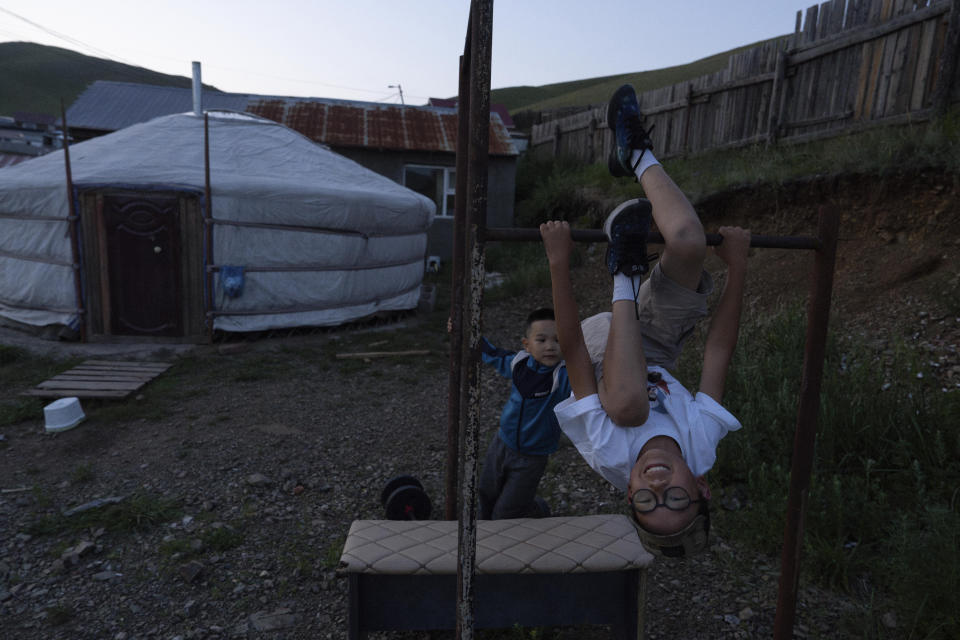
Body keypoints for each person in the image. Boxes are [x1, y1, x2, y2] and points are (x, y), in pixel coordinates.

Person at [538, 83, 751, 557]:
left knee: (630, 406)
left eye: (644, 500)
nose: (656, 485)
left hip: (593, 359)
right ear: (701, 487)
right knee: (689, 243)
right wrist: (738, 266)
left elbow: (571, 349)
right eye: (674, 497)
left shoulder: (610, 454)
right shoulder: (701, 446)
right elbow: (718, 352)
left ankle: (625, 269)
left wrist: (559, 262)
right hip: (650, 348)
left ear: (627, 494)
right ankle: (635, 156)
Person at [476, 307, 571, 519]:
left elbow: (592, 384)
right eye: (542, 340)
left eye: (557, 340)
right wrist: (463, 332)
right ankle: (484, 537)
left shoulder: (563, 377)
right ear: (526, 345)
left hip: (532, 457)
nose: (550, 346)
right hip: (501, 443)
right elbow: (490, 352)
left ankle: (536, 510)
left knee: (505, 514)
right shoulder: (518, 363)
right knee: (485, 495)